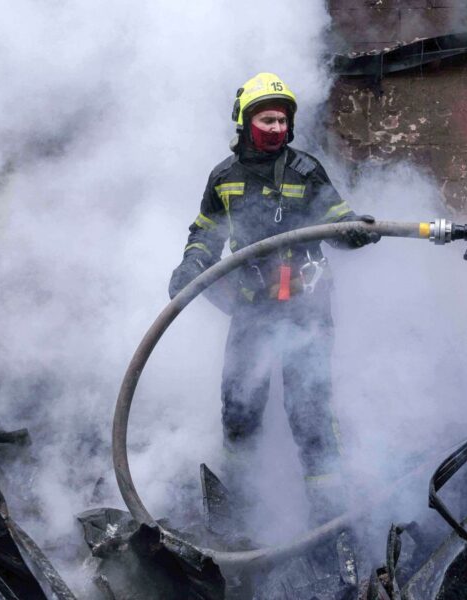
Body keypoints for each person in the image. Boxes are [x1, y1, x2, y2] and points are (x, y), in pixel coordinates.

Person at [168, 72, 379, 524]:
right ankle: (240, 511)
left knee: (310, 414)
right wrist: (191, 264)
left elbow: (338, 221)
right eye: (267, 120)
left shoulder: (305, 170)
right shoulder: (224, 178)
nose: (277, 128)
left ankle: (329, 519)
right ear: (245, 123)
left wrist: (355, 231)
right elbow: (205, 234)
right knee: (239, 411)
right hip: (252, 312)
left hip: (306, 312)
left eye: (282, 121)